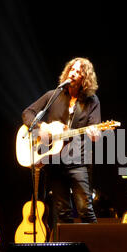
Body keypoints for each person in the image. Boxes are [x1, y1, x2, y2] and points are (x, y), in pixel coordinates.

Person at [22, 57, 101, 230]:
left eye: (79, 71)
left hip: (78, 162)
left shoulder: (91, 101)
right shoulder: (54, 95)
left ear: (85, 78)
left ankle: (97, 251)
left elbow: (95, 129)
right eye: (72, 69)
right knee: (62, 212)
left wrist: (95, 134)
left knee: (84, 209)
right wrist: (44, 126)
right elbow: (28, 113)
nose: (73, 72)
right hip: (55, 163)